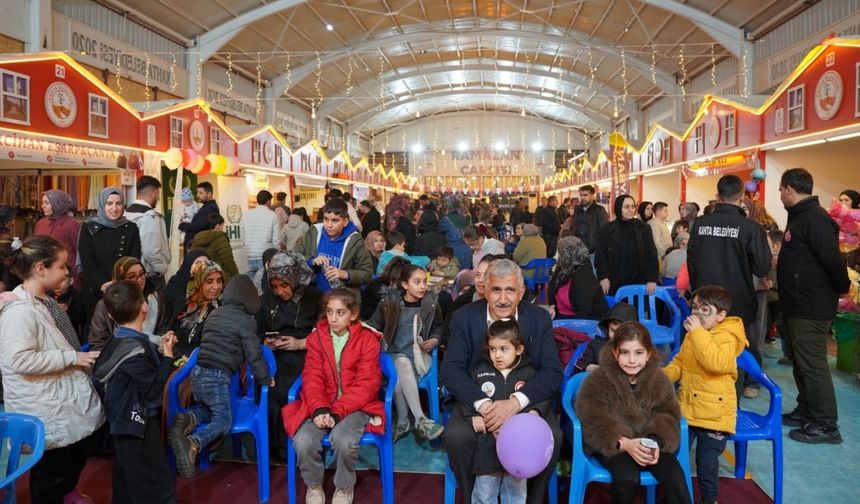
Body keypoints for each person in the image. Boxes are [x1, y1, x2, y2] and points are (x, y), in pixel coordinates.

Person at [442, 259, 563, 503]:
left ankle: (531, 499)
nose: (503, 298)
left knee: (554, 436)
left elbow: (551, 371)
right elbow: (452, 371)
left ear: (521, 292)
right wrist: (485, 407)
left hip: (524, 398)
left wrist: (517, 404)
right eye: (496, 290)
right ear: (485, 289)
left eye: (510, 290)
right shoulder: (463, 318)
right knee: (456, 437)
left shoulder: (538, 318)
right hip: (476, 401)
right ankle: (473, 496)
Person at [0, 235, 104, 503]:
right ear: (40, 269)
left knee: (73, 455)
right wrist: (71, 358)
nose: (67, 272)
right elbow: (20, 360)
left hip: (60, 398)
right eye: (61, 266)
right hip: (45, 404)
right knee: (51, 472)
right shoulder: (18, 312)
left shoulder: (43, 301)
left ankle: (66, 494)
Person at [282, 288, 384, 504]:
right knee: (303, 440)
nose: (333, 319)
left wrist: (337, 412)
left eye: (340, 313)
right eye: (329, 312)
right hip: (322, 404)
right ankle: (314, 484)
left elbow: (367, 385)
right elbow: (312, 377)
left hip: (357, 406)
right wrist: (319, 408)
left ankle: (345, 486)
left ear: (353, 314)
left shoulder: (368, 340)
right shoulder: (317, 337)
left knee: (344, 440)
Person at [169, 274, 273, 478]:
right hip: (217, 377)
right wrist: (265, 378)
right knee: (224, 420)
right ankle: (193, 443)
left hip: (197, 374)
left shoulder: (214, 314)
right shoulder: (246, 322)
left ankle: (189, 418)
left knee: (210, 411)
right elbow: (254, 355)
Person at [575, 322, 691, 504]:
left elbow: (669, 413)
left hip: (649, 440)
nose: (631, 360)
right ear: (615, 353)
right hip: (616, 444)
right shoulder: (598, 380)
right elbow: (592, 418)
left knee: (675, 477)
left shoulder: (659, 380)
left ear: (649, 354)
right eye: (625, 353)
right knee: (626, 478)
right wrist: (624, 443)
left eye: (638, 353)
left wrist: (657, 441)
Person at [777, 168, 850, 444]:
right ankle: (807, 410)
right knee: (801, 363)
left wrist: (842, 288)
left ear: (789, 189)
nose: (780, 194)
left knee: (813, 365)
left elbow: (832, 261)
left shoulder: (815, 219)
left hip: (811, 306)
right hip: (798, 303)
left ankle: (826, 424)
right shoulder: (800, 217)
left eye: (781, 189)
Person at [686, 175, 771, 398]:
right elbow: (762, 268)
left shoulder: (700, 225)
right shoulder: (750, 228)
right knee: (738, 346)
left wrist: (697, 295)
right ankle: (744, 388)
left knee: (705, 345)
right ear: (741, 197)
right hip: (739, 300)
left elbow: (692, 262)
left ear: (717, 196)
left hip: (705, 301)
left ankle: (705, 394)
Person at [93, 281, 178, 504]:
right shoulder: (136, 349)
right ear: (144, 307)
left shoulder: (117, 340)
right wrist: (168, 357)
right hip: (136, 425)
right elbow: (152, 391)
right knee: (158, 487)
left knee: (127, 484)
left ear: (110, 315)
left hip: (120, 421)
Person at [664, 286, 745, 504]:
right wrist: (660, 377)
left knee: (706, 464)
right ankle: (677, 497)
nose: (697, 314)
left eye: (705, 310)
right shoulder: (695, 334)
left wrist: (698, 332)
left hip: (714, 416)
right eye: (695, 308)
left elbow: (716, 363)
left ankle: (709, 501)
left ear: (721, 316)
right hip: (689, 408)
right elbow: (680, 362)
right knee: (674, 455)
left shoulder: (727, 337)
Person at [465, 319, 551, 504]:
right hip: (487, 448)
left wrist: (534, 412)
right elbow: (467, 395)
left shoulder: (529, 374)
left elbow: (541, 397)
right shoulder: (480, 372)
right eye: (493, 349)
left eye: (504, 349)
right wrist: (472, 414)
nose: (497, 355)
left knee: (516, 494)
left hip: (519, 451)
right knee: (484, 492)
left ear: (518, 349)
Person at [256, 251, 323, 461]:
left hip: (307, 355)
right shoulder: (266, 300)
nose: (280, 291)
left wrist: (299, 344)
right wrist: (265, 342)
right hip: (275, 356)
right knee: (267, 387)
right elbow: (257, 331)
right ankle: (271, 448)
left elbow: (325, 335)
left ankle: (290, 447)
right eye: (275, 287)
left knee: (286, 389)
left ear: (294, 278)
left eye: (284, 285)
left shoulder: (315, 298)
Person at [369, 264, 445, 441]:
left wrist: (435, 339)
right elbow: (372, 327)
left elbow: (440, 327)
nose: (422, 286)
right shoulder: (388, 303)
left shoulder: (431, 303)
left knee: (397, 377)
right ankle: (420, 420)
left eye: (424, 282)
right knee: (400, 365)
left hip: (420, 356)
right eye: (417, 282)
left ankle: (404, 421)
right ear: (404, 284)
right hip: (393, 354)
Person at [78, 187, 142, 328]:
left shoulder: (131, 228)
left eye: (118, 203)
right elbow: (88, 262)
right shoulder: (88, 228)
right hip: (96, 290)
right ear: (102, 205)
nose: (114, 208)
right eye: (109, 203)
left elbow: (133, 260)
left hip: (124, 291)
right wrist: (104, 284)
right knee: (97, 331)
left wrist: (118, 284)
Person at [88, 256, 170, 351]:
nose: (139, 280)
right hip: (118, 355)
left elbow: (163, 329)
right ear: (120, 280)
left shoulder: (156, 298)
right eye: (132, 276)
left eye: (142, 274)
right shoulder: (105, 305)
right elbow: (98, 343)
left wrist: (161, 343)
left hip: (154, 352)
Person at [296, 197, 373, 293]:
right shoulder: (314, 233)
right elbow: (294, 256)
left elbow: (367, 273)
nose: (329, 225)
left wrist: (345, 274)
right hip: (313, 295)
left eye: (335, 220)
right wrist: (312, 260)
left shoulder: (355, 240)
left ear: (345, 222)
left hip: (341, 299)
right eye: (326, 219)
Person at [595, 194, 659, 296]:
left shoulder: (644, 228)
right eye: (626, 207)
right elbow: (600, 255)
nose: (631, 210)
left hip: (639, 279)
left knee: (638, 309)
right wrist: (603, 277)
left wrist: (652, 278)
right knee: (618, 310)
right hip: (615, 280)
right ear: (618, 207)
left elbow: (651, 254)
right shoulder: (606, 229)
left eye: (633, 206)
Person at [169, 259, 224, 359]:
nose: (216, 287)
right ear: (197, 282)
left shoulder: (220, 311)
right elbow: (171, 331)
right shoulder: (182, 304)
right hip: (172, 357)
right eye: (209, 281)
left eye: (219, 281)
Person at [548, 236, 608, 320]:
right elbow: (552, 288)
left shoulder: (583, 274)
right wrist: (552, 305)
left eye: (560, 253)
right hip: (567, 316)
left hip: (588, 320)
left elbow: (583, 311)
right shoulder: (563, 268)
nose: (559, 257)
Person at [125, 176, 170, 288]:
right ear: (152, 192)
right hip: (149, 275)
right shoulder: (150, 217)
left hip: (130, 271)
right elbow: (151, 250)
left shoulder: (125, 214)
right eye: (158, 193)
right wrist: (161, 269)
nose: (158, 198)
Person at [34, 189, 81, 289]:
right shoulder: (41, 223)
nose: (42, 206)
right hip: (44, 273)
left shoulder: (72, 225)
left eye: (47, 203)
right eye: (43, 203)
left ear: (58, 204)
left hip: (66, 274)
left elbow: (79, 251)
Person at [573, 301, 638, 373]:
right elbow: (578, 368)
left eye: (623, 333)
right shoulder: (596, 345)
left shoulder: (639, 348)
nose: (617, 336)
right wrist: (590, 368)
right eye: (613, 331)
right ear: (607, 327)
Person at [244, 190, 281, 281]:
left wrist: (247, 248)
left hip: (250, 254)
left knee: (252, 286)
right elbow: (276, 240)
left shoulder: (246, 215)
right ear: (268, 201)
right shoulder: (273, 216)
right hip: (265, 256)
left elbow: (243, 234)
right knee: (264, 285)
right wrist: (276, 254)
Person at [191, 214, 239, 282]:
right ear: (217, 226)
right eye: (222, 225)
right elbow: (228, 261)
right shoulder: (220, 238)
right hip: (220, 277)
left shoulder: (197, 238)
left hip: (201, 277)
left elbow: (193, 258)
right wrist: (236, 275)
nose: (223, 227)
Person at [163, 250, 209, 323]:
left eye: (206, 264)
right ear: (188, 265)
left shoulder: (210, 283)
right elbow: (179, 308)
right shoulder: (175, 283)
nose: (202, 267)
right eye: (198, 263)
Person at [179, 182, 220, 248]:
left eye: (200, 193)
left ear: (209, 194)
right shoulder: (206, 206)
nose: (197, 195)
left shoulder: (210, 208)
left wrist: (181, 224)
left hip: (198, 247)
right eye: (197, 192)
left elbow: (198, 226)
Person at [572, 185, 609, 254]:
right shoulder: (577, 209)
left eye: (585, 195)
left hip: (593, 251)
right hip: (577, 249)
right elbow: (574, 227)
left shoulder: (600, 210)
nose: (582, 198)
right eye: (581, 195)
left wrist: (596, 247)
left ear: (592, 196)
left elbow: (604, 231)